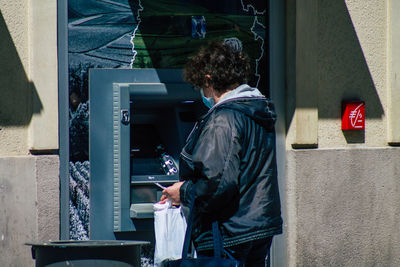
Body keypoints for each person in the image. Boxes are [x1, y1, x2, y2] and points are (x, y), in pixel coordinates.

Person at [160, 39, 282, 266]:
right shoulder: (254, 112)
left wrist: (183, 192)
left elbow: (216, 183)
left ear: (208, 79)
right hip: (257, 226)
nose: (201, 92)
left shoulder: (223, 119)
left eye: (201, 85)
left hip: (228, 231)